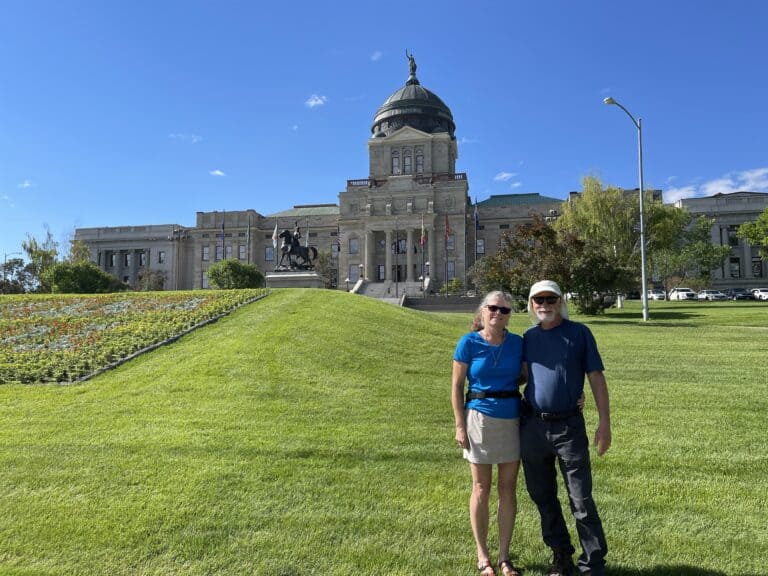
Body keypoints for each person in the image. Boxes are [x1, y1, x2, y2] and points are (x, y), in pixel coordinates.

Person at [520, 280, 611, 576]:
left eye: (550, 299)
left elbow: (596, 377)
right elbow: (520, 376)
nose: (544, 305)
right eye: (538, 300)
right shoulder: (528, 338)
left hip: (569, 426)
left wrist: (604, 423)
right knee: (543, 496)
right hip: (533, 427)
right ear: (531, 305)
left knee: (581, 499)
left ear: (561, 301)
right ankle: (561, 556)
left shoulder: (579, 333)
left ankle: (592, 564)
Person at [452, 291, 524, 576]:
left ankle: (504, 556)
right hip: (479, 417)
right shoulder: (468, 343)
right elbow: (456, 387)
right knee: (481, 487)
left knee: (508, 488)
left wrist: (574, 394)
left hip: (512, 418)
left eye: (504, 310)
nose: (498, 314)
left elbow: (533, 375)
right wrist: (459, 425)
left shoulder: (518, 343)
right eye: (493, 308)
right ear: (483, 311)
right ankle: (483, 556)